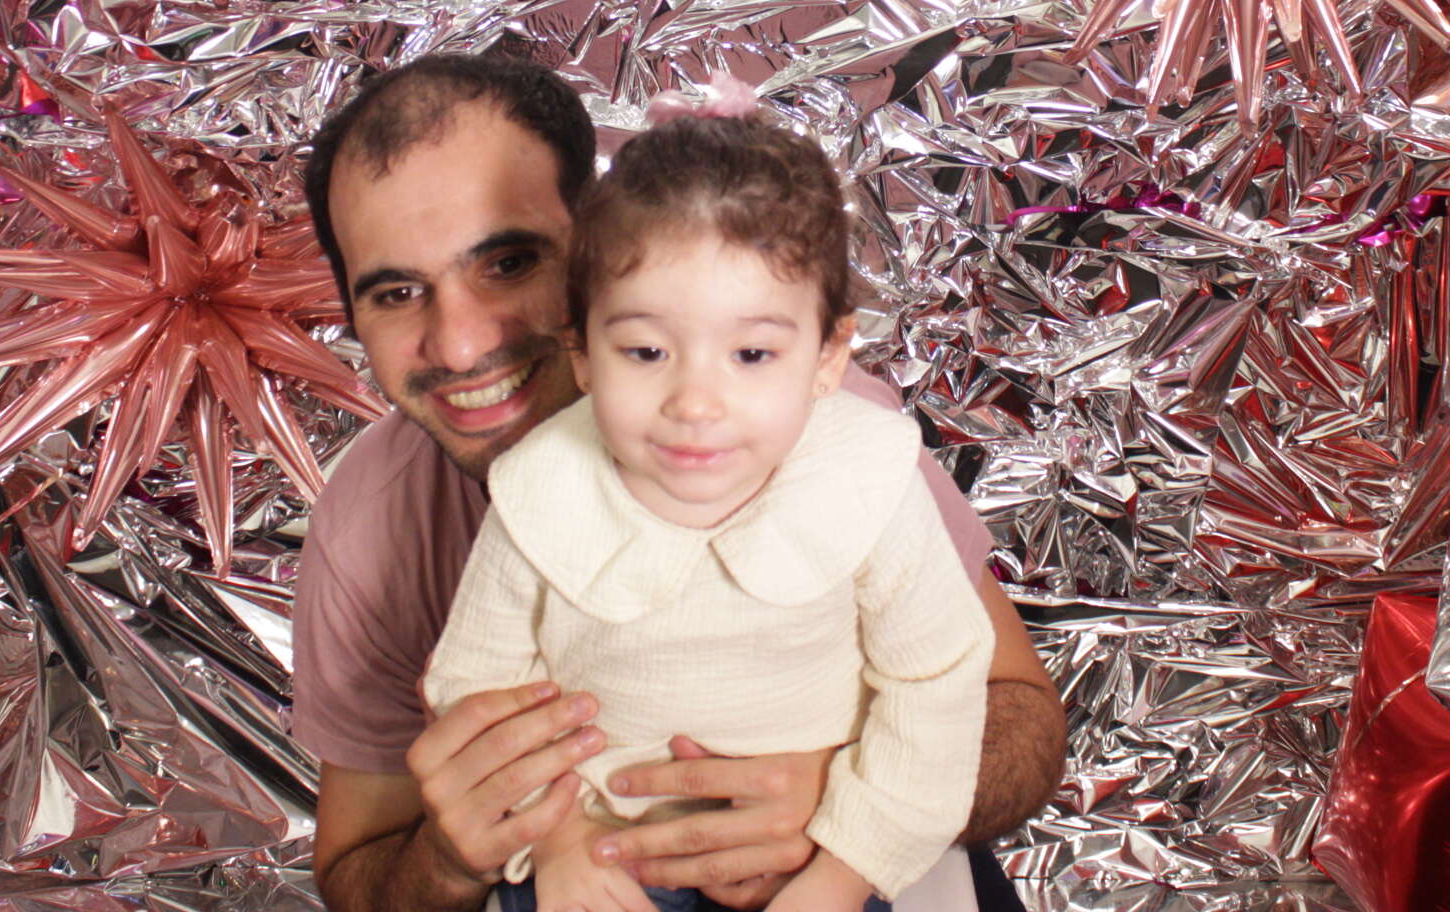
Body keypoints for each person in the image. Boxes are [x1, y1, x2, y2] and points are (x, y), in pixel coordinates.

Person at [290, 54, 1066, 912]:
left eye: (508, 262)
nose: (463, 342)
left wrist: (839, 808)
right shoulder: (371, 522)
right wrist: (464, 853)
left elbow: (1019, 722)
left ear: (592, 247)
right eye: (397, 292)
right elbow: (355, 869)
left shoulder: (817, 427)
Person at [422, 102, 989, 912]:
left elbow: (937, 683)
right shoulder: (541, 490)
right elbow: (477, 691)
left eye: (752, 354)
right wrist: (554, 836)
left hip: (819, 845)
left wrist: (845, 869)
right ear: (582, 354)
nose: (694, 401)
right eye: (645, 351)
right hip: (597, 842)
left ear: (827, 358)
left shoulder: (867, 478)